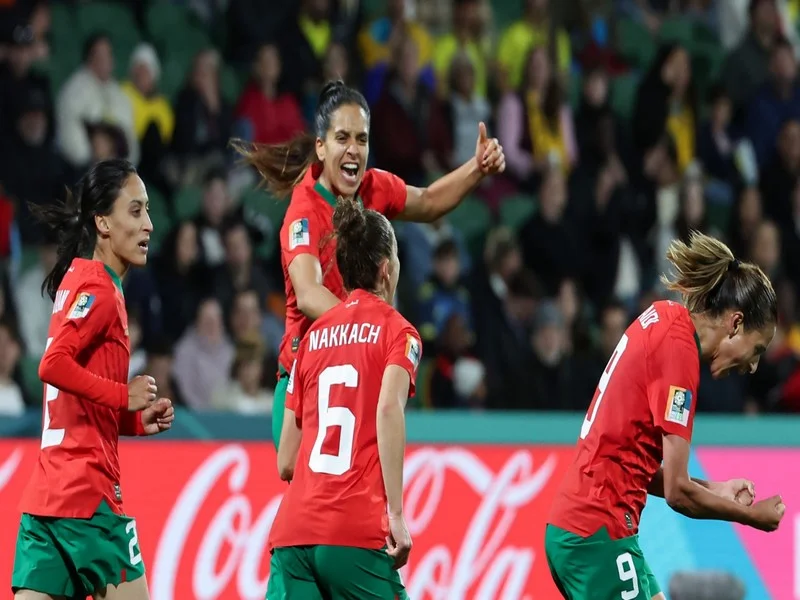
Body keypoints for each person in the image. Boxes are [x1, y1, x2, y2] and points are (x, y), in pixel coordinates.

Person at [234, 79, 505, 449]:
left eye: (361, 139)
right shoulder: (303, 214)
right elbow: (309, 293)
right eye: (342, 138)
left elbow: (426, 201)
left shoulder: (373, 187)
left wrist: (476, 168)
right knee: (300, 484)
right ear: (321, 146)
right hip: (306, 376)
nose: (354, 149)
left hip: (358, 371)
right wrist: (368, 327)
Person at [545, 231, 785, 600]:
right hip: (597, 534)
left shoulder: (665, 317)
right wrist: (752, 518)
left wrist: (715, 489)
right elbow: (677, 493)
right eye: (757, 349)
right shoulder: (679, 354)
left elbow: (635, 466)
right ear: (735, 324)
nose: (753, 366)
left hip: (590, 528)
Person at [11, 159, 175, 600]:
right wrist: (125, 395)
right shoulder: (99, 288)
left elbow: (74, 400)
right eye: (136, 211)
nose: (150, 225)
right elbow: (52, 365)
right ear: (103, 222)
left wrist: (133, 421)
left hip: (46, 502)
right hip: (89, 502)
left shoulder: (78, 282)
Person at [266, 198, 421, 599]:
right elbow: (388, 408)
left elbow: (286, 461)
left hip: (292, 536)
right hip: (352, 533)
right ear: (386, 269)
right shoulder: (398, 333)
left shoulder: (312, 338)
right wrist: (397, 516)